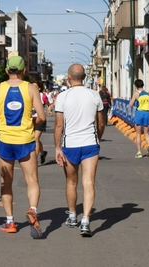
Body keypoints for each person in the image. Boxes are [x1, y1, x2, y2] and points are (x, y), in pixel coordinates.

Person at [0, 56, 45, 239]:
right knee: (32, 179)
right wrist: (32, 126)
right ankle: (32, 209)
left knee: (6, 182)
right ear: (24, 71)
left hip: (4, 141)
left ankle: (10, 221)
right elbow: (42, 117)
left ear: (6, 71)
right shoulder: (31, 88)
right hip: (26, 140)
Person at [54, 63, 105, 237]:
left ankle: (73, 216)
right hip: (90, 144)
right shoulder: (94, 95)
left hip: (70, 145)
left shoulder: (62, 97)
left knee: (71, 182)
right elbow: (101, 123)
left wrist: (57, 147)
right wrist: (97, 137)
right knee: (88, 182)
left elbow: (59, 125)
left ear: (68, 78)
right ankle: (86, 220)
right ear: (84, 78)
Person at [128, 79, 149, 159]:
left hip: (139, 113)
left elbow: (131, 104)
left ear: (136, 86)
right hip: (147, 113)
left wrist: (133, 98)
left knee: (138, 134)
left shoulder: (136, 93)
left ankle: (139, 152)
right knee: (146, 133)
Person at [32, 80, 48, 165]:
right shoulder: (27, 94)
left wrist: (49, 109)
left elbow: (49, 103)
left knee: (36, 139)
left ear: (39, 88)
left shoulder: (42, 96)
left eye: (35, 86)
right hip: (30, 119)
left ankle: (35, 160)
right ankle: (42, 153)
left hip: (40, 119)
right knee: (35, 139)